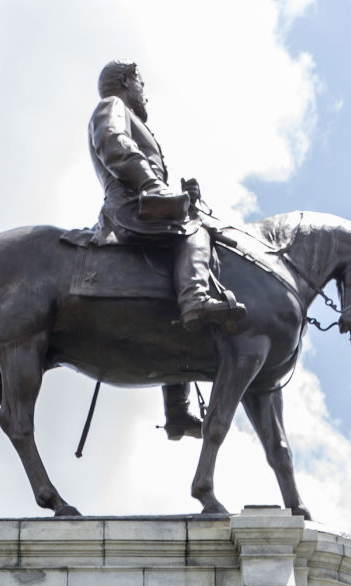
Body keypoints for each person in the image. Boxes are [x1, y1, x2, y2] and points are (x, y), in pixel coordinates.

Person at [88, 59, 245, 440]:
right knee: (195, 231)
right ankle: (196, 299)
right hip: (128, 209)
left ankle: (177, 412)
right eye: (140, 82)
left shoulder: (132, 115)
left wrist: (183, 194)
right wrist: (154, 185)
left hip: (141, 204)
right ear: (125, 81)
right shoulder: (113, 108)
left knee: (170, 279)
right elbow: (114, 144)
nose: (144, 91)